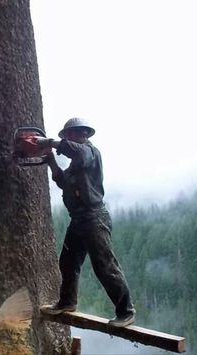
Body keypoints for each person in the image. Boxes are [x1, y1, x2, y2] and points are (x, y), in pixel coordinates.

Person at [40, 117, 136, 327]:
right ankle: (67, 302)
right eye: (66, 136)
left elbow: (77, 152)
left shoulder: (90, 152)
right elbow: (63, 182)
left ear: (80, 134)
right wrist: (50, 161)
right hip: (79, 220)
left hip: (94, 218)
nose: (67, 139)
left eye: (69, 135)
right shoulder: (76, 164)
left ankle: (126, 311)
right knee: (68, 262)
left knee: (105, 266)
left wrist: (50, 143)